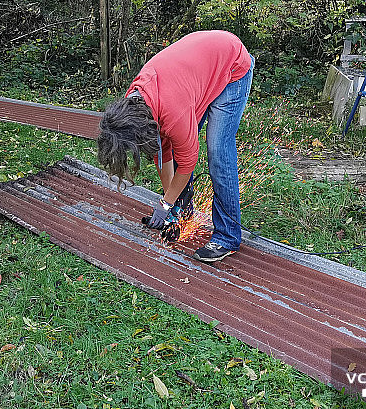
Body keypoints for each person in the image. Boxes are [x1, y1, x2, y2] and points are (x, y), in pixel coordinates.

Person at [96, 30, 254, 263]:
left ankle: (228, 237)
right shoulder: (134, 100)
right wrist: (171, 208)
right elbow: (163, 150)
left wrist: (166, 202)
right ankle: (183, 213)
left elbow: (188, 160)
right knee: (178, 147)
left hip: (231, 67)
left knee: (218, 153)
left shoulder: (173, 113)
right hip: (198, 70)